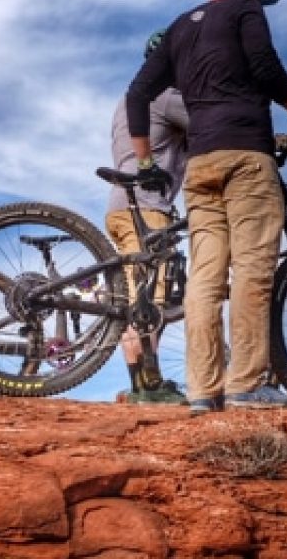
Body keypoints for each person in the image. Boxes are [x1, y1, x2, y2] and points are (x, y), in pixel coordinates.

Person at [125, 0, 287, 414]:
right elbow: (266, 68)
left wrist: (145, 162)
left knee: (206, 277)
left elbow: (137, 94)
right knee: (252, 268)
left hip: (201, 167)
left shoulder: (178, 27)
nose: (257, 2)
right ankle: (246, 385)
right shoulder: (244, 11)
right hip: (246, 159)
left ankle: (202, 390)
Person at [108, 30, 190, 405]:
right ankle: (149, 387)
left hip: (120, 207)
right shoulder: (167, 96)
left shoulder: (125, 102)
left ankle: (142, 384)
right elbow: (211, 127)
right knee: (151, 300)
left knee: (137, 299)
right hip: (146, 207)